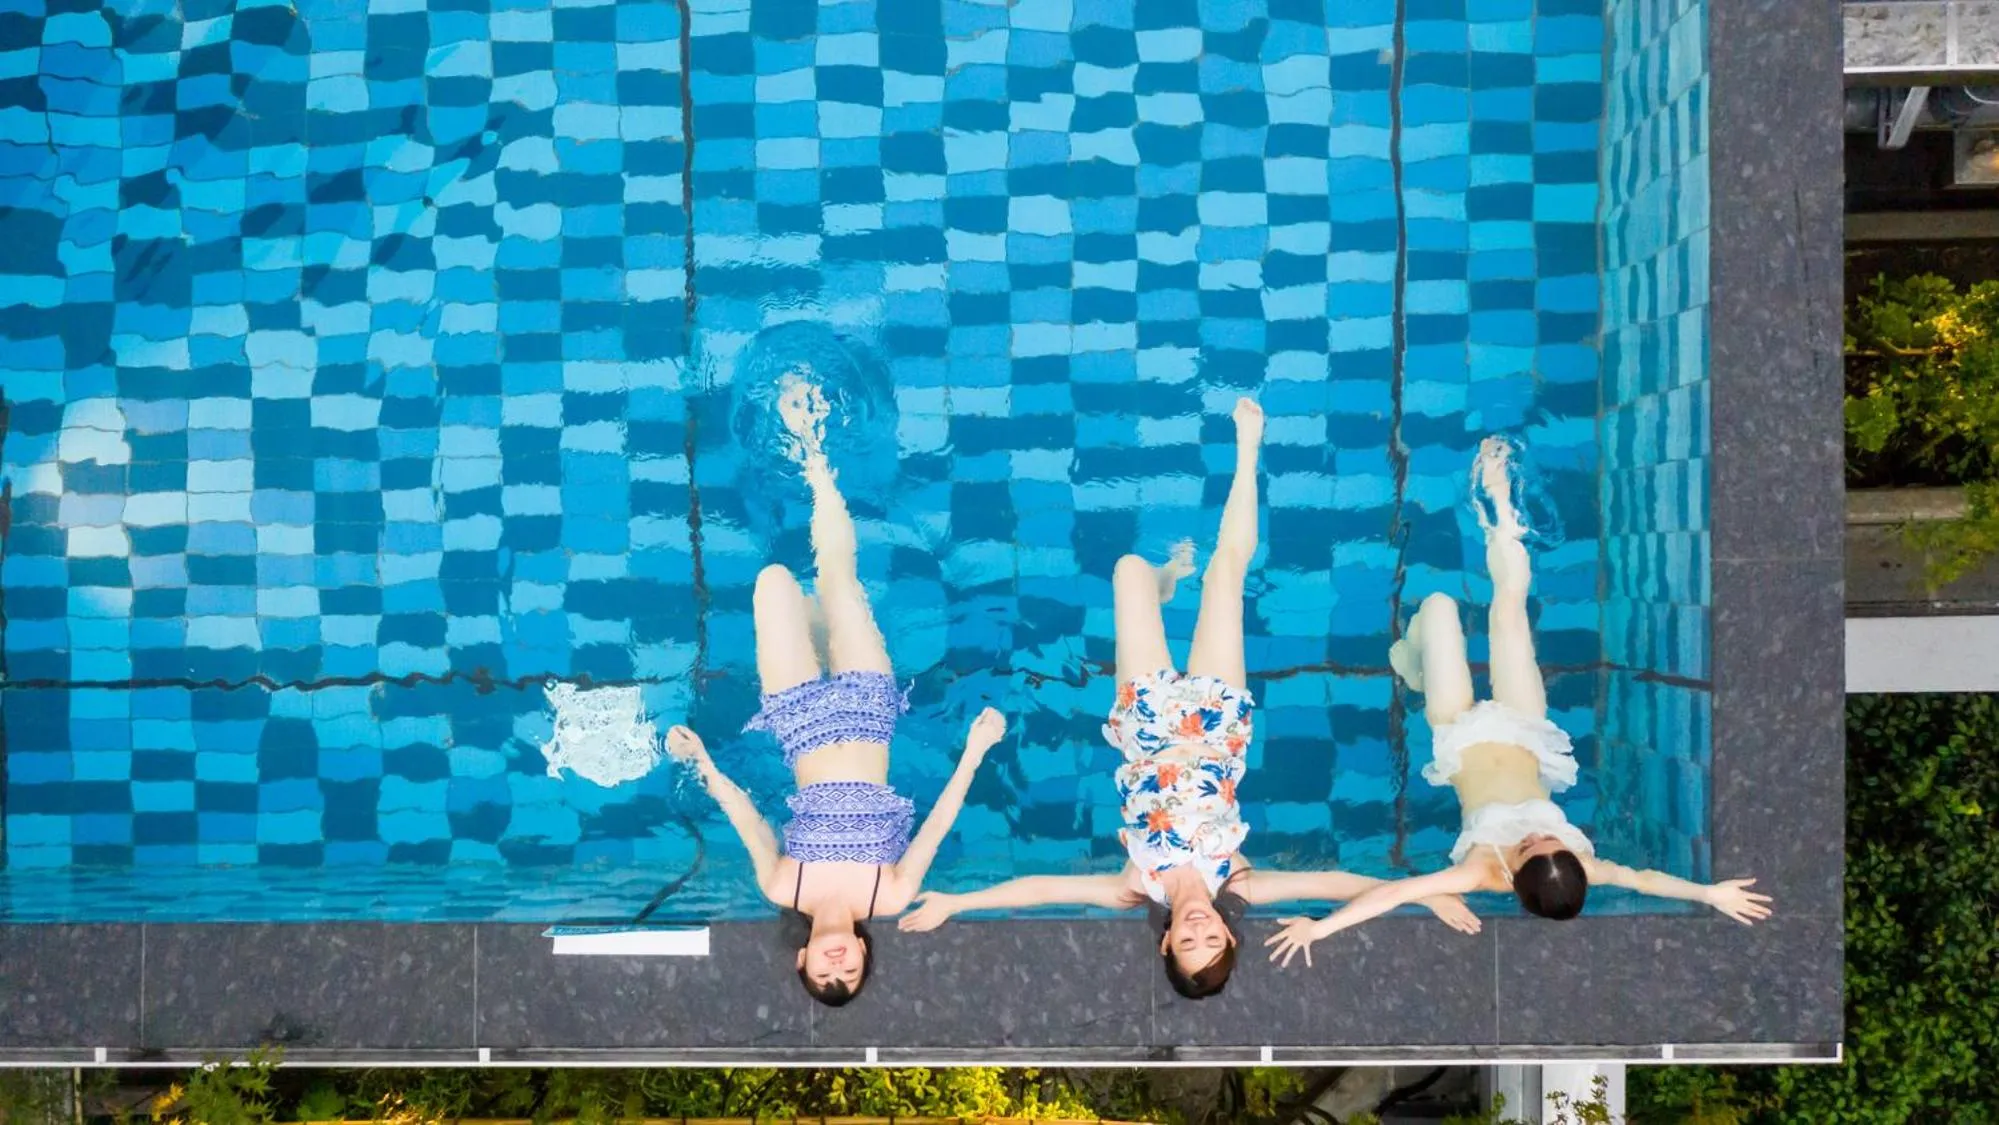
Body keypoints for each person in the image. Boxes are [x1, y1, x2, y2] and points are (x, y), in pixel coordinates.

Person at [898, 399, 1480, 999]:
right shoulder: (1241, 881)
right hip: (1214, 724)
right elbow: (1337, 881)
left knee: (1127, 571)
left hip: (1146, 723)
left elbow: (1039, 889)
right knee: (1225, 574)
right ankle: (1249, 449)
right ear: (1229, 939)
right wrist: (1429, 893)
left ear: (1165, 942)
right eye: (1212, 943)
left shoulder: (1133, 884)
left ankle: (1161, 580)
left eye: (1186, 945)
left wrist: (957, 901)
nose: (1199, 932)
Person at [1265, 436, 1773, 969]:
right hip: (1525, 726)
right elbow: (1645, 880)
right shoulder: (1584, 863)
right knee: (1508, 611)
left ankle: (1412, 663)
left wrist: (1319, 929)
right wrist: (1711, 894)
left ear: (1515, 875)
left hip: (1459, 730)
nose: (1540, 837)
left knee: (1437, 607)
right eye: (1555, 845)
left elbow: (1394, 894)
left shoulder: (1481, 871)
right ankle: (1500, 501)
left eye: (1531, 850)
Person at [666, 377, 1003, 1007]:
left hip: (798, 724)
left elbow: (747, 819)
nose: (838, 965)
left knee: (771, 583)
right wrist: (976, 751)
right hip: (868, 715)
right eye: (850, 976)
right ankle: (813, 455)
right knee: (841, 583)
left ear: (802, 958)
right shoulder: (890, 895)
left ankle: (803, 575)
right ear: (863, 958)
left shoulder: (782, 888)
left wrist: (703, 763)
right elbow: (936, 824)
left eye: (823, 975)